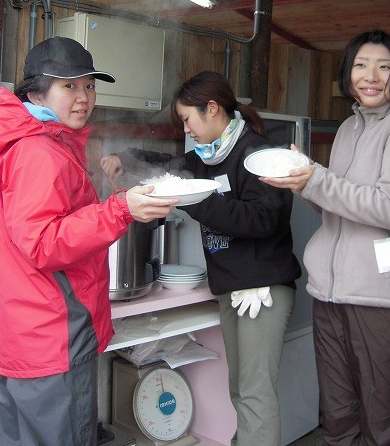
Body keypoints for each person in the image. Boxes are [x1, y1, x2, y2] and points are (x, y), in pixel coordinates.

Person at [0, 37, 177, 446]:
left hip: (18, 333)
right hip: (51, 335)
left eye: (89, 86)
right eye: (69, 86)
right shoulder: (38, 151)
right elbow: (45, 243)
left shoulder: (25, 142)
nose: (84, 97)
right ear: (36, 92)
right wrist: (120, 209)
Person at [101, 70, 301, 446]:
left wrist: (202, 201)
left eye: (188, 119)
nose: (187, 129)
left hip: (263, 289)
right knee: (240, 389)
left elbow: (264, 219)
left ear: (212, 109)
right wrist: (125, 158)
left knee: (256, 394)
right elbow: (171, 166)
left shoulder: (255, 154)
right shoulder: (208, 157)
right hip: (230, 285)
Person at [261, 30, 390, 445]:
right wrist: (303, 184)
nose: (370, 76)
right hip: (331, 295)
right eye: (360, 65)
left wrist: (317, 177)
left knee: (384, 423)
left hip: (383, 300)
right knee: (338, 419)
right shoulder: (347, 128)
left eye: (384, 66)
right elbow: (339, 207)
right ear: (348, 73)